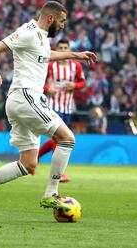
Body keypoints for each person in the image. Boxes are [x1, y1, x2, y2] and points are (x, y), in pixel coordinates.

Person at [0, 1, 97, 217]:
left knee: (28, 164)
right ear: (50, 19)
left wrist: (75, 55)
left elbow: (46, 55)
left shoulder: (41, 38)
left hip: (20, 101)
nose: (63, 26)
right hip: (26, 95)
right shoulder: (28, 32)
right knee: (67, 138)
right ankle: (51, 193)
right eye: (62, 21)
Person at [38, 39, 86, 183]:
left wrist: (75, 85)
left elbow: (83, 82)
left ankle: (36, 157)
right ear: (57, 49)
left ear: (69, 48)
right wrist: (47, 89)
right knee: (60, 138)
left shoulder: (75, 66)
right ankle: (59, 173)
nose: (63, 49)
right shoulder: (51, 65)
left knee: (56, 138)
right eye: (61, 47)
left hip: (67, 106)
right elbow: (38, 82)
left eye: (66, 47)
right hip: (53, 106)